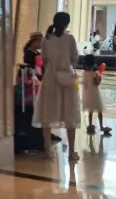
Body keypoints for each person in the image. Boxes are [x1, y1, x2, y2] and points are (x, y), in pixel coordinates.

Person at [35, 13, 82, 160]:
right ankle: (71, 152)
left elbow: (44, 60)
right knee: (70, 116)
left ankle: (47, 151)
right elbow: (74, 58)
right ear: (67, 24)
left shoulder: (47, 39)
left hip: (50, 79)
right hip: (67, 79)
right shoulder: (70, 39)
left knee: (47, 115)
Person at [82, 59, 110, 137]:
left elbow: (85, 86)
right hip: (95, 95)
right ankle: (101, 126)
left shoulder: (84, 73)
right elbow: (96, 84)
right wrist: (99, 78)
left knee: (90, 111)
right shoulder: (95, 73)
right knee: (99, 111)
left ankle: (90, 125)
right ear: (93, 65)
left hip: (88, 95)